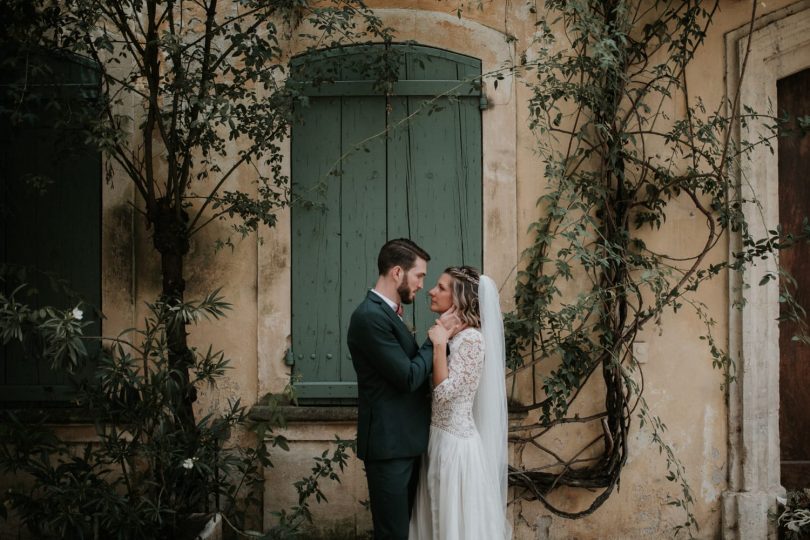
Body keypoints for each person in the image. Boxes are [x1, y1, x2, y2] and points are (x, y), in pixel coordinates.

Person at [348, 238, 453, 540]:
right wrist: (435, 341)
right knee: (392, 533)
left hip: (405, 442)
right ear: (397, 272)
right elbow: (407, 377)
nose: (422, 284)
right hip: (388, 446)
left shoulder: (386, 312)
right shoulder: (369, 317)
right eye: (419, 275)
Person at [409, 266, 511, 540]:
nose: (431, 291)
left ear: (458, 298)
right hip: (438, 440)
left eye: (441, 288)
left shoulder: (471, 340)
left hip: (455, 447)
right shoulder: (457, 335)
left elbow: (444, 393)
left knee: (453, 524)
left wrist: (439, 343)